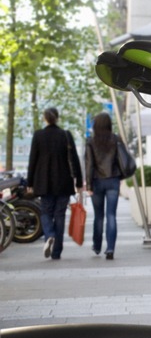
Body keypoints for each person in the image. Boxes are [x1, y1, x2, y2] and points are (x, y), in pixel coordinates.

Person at [26, 107, 84, 260]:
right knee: (60, 215)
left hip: (43, 182)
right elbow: (75, 159)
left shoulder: (38, 135)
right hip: (63, 182)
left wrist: (30, 181)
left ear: (45, 119)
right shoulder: (65, 135)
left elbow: (32, 160)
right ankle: (56, 252)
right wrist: (78, 181)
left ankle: (49, 235)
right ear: (57, 118)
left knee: (45, 212)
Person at [85, 112, 123, 260]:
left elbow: (89, 165)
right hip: (113, 180)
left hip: (96, 181)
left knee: (98, 216)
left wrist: (88, 184)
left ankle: (97, 245)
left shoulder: (91, 141)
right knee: (111, 215)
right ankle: (110, 248)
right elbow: (121, 159)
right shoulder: (115, 139)